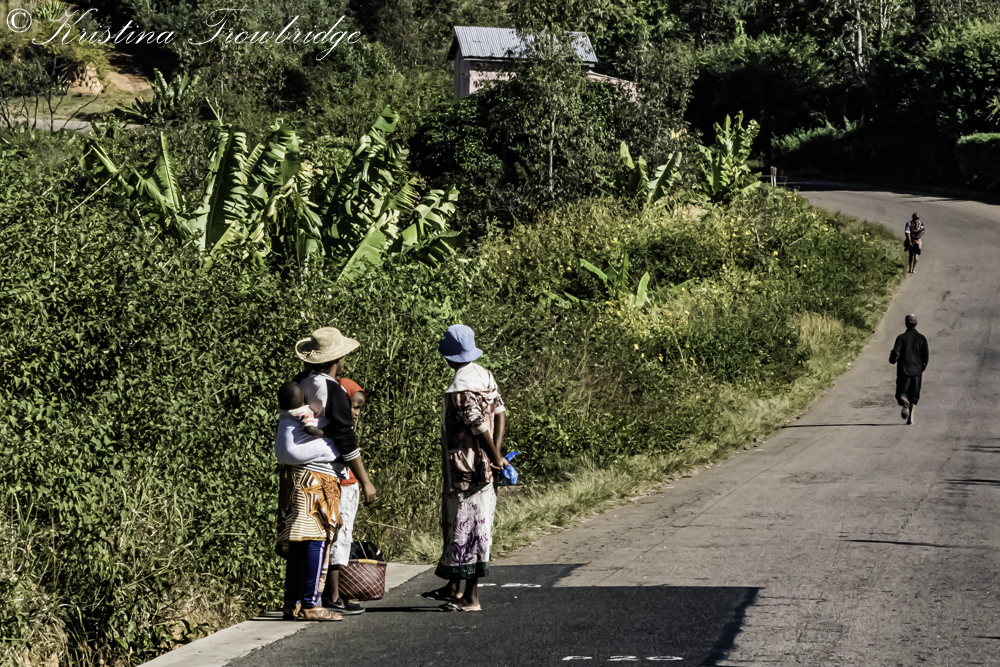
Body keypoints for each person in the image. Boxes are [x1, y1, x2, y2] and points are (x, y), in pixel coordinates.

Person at [422, 324, 508, 612]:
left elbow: (477, 425)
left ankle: (470, 597)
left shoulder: (460, 388)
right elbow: (499, 413)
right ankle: (454, 587)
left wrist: (493, 455)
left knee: (467, 527)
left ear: (449, 357)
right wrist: (496, 454)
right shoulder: (484, 375)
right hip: (483, 467)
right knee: (471, 524)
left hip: (465, 468)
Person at [294, 327, 377, 616]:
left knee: (303, 536)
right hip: (327, 472)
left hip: (297, 469)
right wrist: (365, 480)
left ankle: (298, 599)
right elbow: (346, 440)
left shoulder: (300, 382)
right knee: (326, 535)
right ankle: (324, 598)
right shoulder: (333, 389)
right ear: (338, 359)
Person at [273, 382, 343, 622]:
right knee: (316, 539)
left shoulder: (286, 414)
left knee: (297, 542)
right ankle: (311, 604)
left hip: (292, 478)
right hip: (313, 480)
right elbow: (313, 430)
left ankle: (291, 602)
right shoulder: (309, 409)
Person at [889, 314, 929, 425]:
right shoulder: (922, 338)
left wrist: (892, 359)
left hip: (904, 371)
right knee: (914, 396)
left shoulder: (901, 338)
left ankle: (905, 402)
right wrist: (921, 368)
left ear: (906, 324)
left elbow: (895, 354)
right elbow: (925, 356)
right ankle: (911, 418)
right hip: (917, 372)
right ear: (916, 324)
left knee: (901, 394)